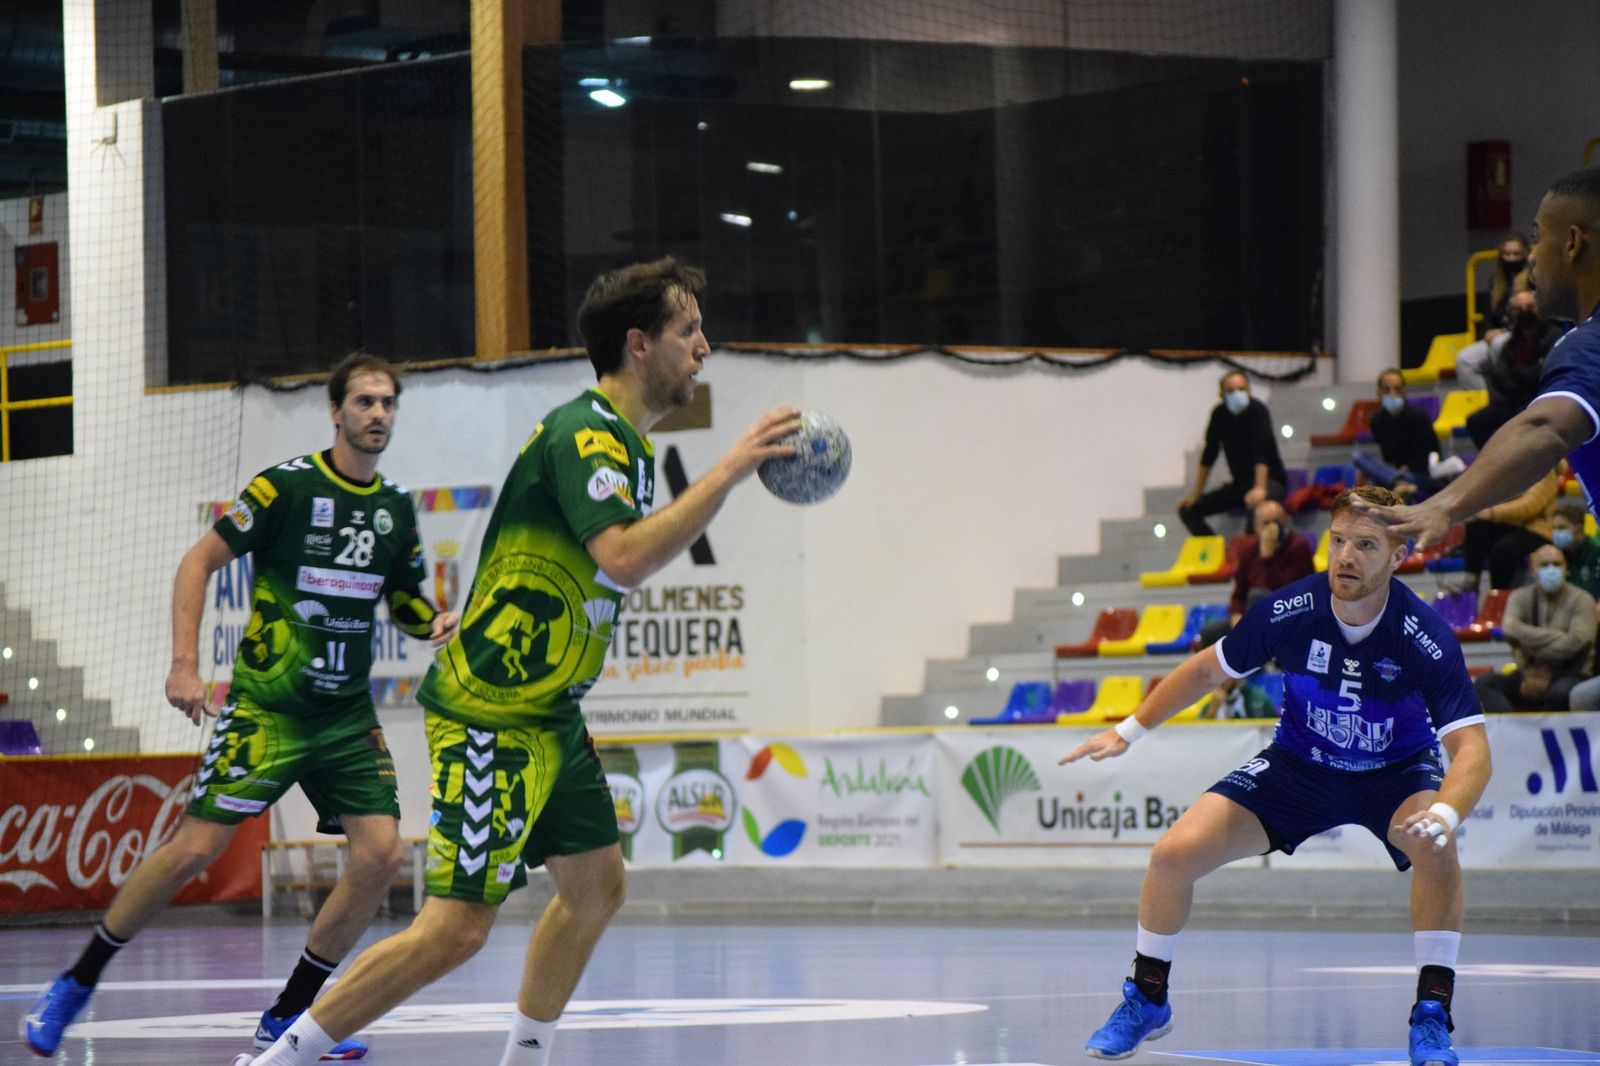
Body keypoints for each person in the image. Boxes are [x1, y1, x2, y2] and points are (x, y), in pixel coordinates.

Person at [237, 257, 801, 1066]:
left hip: (549, 711)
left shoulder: (628, 448)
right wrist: (731, 466)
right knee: (456, 929)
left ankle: (525, 1058)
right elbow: (625, 558)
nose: (704, 346)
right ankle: (276, 1061)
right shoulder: (589, 433)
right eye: (690, 330)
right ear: (639, 345)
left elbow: (542, 559)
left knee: (596, 888)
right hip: (493, 713)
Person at [21, 354, 460, 1060]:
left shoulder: (394, 508)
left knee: (381, 857)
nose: (378, 414)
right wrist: (185, 665)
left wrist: (431, 622)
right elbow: (198, 561)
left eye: (387, 403)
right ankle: (73, 985)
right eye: (365, 402)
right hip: (268, 709)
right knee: (196, 847)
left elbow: (403, 597)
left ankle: (289, 1016)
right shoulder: (286, 487)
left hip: (345, 716)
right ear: (336, 411)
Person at [1062, 486, 1492, 1066]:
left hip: (1395, 771)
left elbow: (1471, 748)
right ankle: (1147, 998)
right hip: (1297, 767)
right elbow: (1205, 671)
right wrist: (1130, 729)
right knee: (1171, 855)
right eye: (1338, 541)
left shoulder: (1425, 638)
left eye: (1366, 545)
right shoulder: (1288, 610)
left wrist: (1444, 811)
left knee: (1435, 847)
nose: (1346, 556)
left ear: (1397, 555)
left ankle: (1432, 1014)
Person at [1356, 167, 1600, 547]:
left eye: (1537, 238)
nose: (1533, 258)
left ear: (1572, 243)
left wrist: (1444, 505)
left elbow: (1544, 428)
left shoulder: (1589, 344)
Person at [1475, 543, 1594, 714]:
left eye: (1557, 564)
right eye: (1544, 565)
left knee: (1560, 693)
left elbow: (1578, 641)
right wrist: (1558, 637)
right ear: (1533, 569)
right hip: (1528, 671)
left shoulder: (1583, 599)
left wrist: (1527, 641)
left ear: (1566, 568)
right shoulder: (1519, 597)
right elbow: (1509, 629)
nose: (1551, 569)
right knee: (1484, 683)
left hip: (1570, 672)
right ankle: (1513, 733)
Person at [1176, 370, 1288, 537]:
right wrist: (1196, 493)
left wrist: (1259, 488)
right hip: (1240, 484)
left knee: (1256, 503)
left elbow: (1261, 451)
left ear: (1249, 391)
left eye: (1242, 389)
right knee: (1188, 510)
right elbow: (1209, 453)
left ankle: (1247, 554)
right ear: (1222, 394)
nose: (1237, 394)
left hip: (1270, 480)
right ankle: (1222, 554)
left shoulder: (1258, 411)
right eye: (1231, 391)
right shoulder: (1219, 414)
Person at [1196, 499, 1314, 647]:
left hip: (1290, 617)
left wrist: (1267, 557)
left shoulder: (1298, 546)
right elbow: (1239, 593)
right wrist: (1236, 617)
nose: (1273, 527)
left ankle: (1257, 657)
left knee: (1257, 595)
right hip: (1253, 621)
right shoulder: (1247, 549)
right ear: (1256, 527)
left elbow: (1289, 592)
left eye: (1277, 521)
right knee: (1210, 633)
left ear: (1285, 521)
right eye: (1266, 523)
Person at [1463, 289, 1564, 448]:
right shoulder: (1511, 343)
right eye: (1518, 309)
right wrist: (1520, 377)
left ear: (1538, 307)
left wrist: (1520, 376)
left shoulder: (1553, 336)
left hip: (1539, 399)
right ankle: (1495, 462)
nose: (1524, 312)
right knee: (1477, 421)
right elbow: (1500, 376)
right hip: (1513, 400)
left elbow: (1542, 372)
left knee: (1523, 416)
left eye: (1529, 307)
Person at [1438, 467, 1557, 596]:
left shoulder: (1546, 468)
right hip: (1515, 525)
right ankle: (1471, 581)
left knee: (1503, 549)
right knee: (1477, 522)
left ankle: (1498, 596)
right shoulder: (1518, 466)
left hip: (1539, 530)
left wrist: (1492, 512)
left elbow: (1531, 505)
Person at [1453, 233, 1531, 391]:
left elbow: (1532, 319)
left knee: (1498, 343)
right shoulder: (1497, 282)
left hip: (1522, 335)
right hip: (1500, 334)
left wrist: (1504, 330)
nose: (1511, 259)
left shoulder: (1532, 280)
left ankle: (1506, 394)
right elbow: (1492, 314)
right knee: (1464, 359)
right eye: (1506, 254)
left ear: (1525, 255)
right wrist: (1488, 331)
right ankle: (1485, 402)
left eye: (1516, 254)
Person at [1353, 368, 1445, 499]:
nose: (1392, 394)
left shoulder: (1418, 417)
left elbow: (1434, 453)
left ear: (1404, 391)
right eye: (1387, 389)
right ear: (1379, 393)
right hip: (1394, 473)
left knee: (1379, 484)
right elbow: (1388, 457)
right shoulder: (1376, 420)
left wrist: (1407, 468)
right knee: (1358, 457)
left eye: (1397, 389)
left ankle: (1398, 483)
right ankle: (1398, 483)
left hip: (1419, 474)